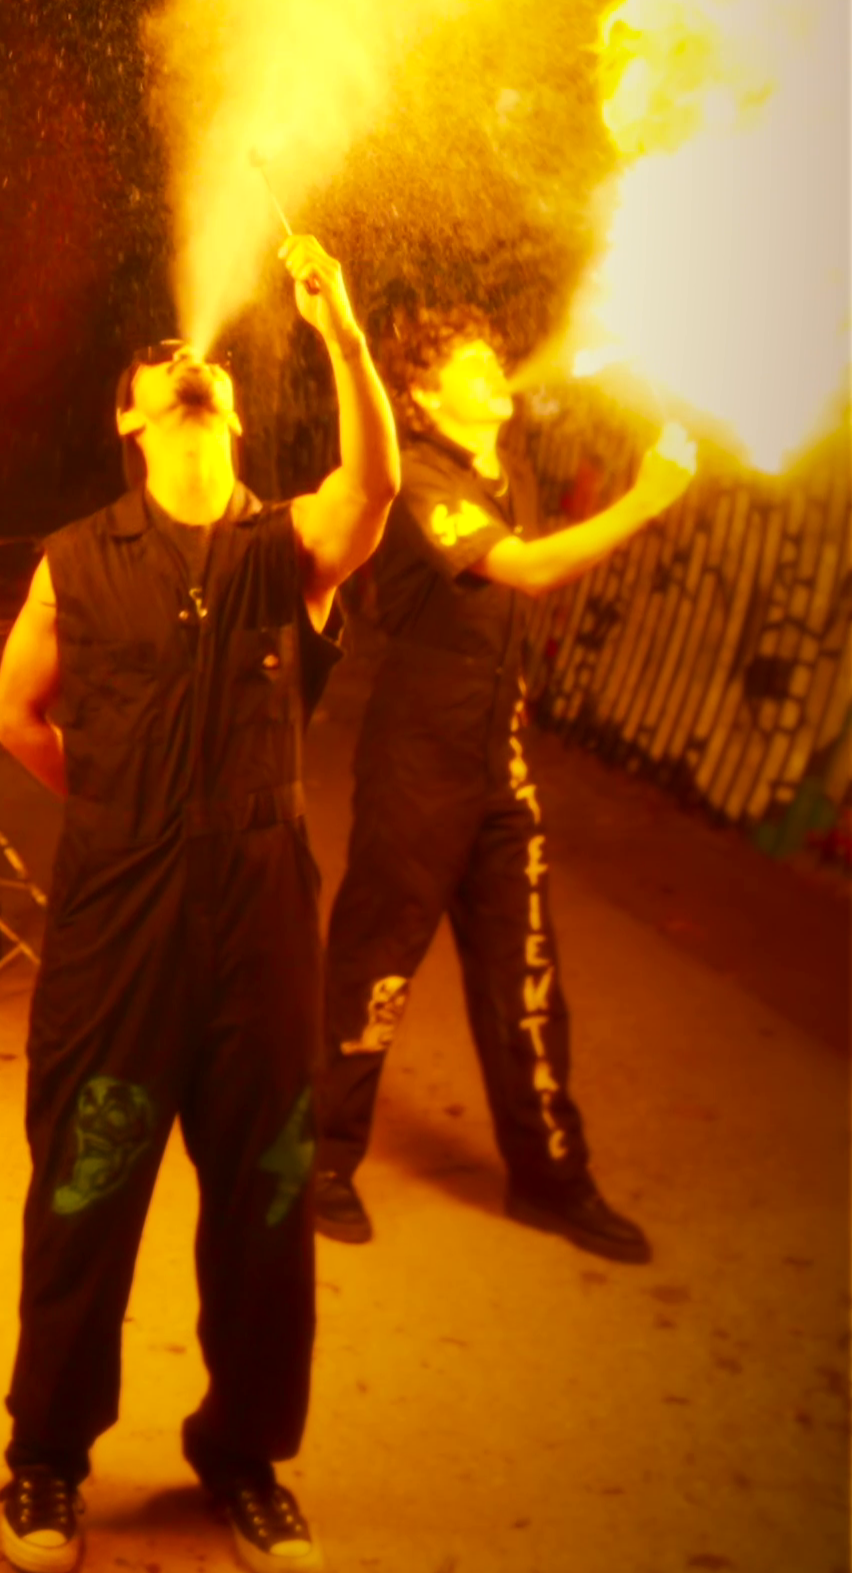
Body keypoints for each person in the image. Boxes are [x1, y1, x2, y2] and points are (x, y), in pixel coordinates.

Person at [0, 235, 399, 1573]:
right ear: (131, 421)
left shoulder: (286, 547)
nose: (186, 367)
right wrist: (119, 804)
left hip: (260, 907)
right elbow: (15, 716)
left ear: (230, 414)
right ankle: (47, 1462)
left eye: (201, 363)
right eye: (159, 367)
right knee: (87, 1189)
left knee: (268, 1200)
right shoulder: (74, 559)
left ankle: (246, 1457)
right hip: (121, 912)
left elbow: (374, 488)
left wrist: (340, 333)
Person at [312, 313, 696, 1263]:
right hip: (415, 763)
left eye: (493, 357)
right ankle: (314, 1162)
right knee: (374, 969)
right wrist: (648, 498)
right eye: (469, 363)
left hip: (497, 766)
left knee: (526, 978)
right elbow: (527, 572)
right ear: (423, 395)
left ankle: (550, 1179)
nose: (494, 370)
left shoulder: (506, 470)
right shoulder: (417, 476)